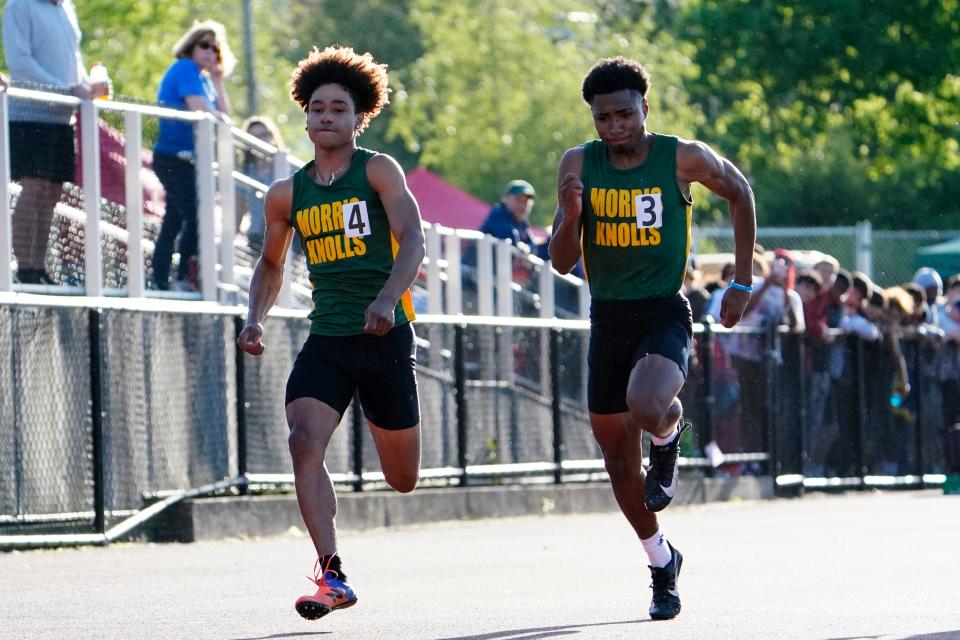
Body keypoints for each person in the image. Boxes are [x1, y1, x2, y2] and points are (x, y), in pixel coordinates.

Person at [548, 56, 755, 621]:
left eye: (623, 114)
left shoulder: (680, 156)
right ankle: (662, 562)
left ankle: (666, 435)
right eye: (602, 118)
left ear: (645, 107)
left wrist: (741, 280)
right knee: (618, 465)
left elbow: (741, 193)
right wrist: (570, 216)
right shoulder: (578, 164)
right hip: (607, 317)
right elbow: (563, 262)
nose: (614, 127)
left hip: (663, 309)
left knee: (646, 406)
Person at [236, 45, 425, 622]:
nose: (325, 118)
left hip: (385, 336)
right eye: (316, 108)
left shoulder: (377, 170)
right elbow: (271, 265)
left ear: (358, 117)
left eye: (338, 109)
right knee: (301, 440)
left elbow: (413, 238)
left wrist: (388, 300)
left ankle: (380, 425)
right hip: (329, 339)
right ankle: (332, 573)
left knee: (402, 479)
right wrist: (254, 318)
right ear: (306, 115)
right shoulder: (287, 194)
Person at [2, 0, 108, 284]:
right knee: (34, 187)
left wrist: (88, 86)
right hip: (30, 113)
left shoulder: (67, 8)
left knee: (52, 192)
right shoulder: (19, 6)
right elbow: (19, 62)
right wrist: (66, 90)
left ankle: (38, 267)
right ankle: (24, 268)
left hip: (62, 118)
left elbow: (73, 61)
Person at [151, 20, 234, 291]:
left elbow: (224, 115)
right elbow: (202, 111)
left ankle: (162, 280)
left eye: (216, 48)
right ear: (191, 46)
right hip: (173, 156)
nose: (210, 52)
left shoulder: (204, 79)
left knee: (174, 219)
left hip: (189, 159)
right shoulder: (186, 68)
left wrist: (219, 80)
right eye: (205, 45)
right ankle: (185, 275)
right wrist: (218, 116)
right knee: (197, 214)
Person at [237, 115, 285, 251]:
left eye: (265, 134)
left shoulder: (287, 167)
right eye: (256, 137)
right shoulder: (245, 172)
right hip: (256, 237)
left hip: (285, 237)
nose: (262, 139)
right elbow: (239, 207)